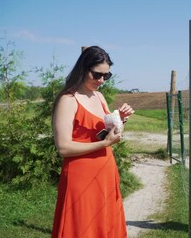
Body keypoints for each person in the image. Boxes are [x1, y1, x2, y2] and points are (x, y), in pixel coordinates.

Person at [51, 46, 133, 238]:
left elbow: (109, 134)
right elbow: (63, 147)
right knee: (82, 228)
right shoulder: (68, 100)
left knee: (104, 225)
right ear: (83, 68)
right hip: (81, 177)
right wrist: (104, 145)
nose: (101, 81)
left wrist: (120, 119)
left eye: (107, 76)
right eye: (97, 75)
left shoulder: (99, 96)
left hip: (105, 171)